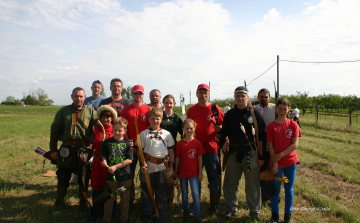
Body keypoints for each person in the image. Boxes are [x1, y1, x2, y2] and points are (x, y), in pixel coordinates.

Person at [220, 86, 267, 220]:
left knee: (252, 185)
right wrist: (223, 144)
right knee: (230, 184)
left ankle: (254, 212)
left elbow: (263, 135)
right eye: (238, 96)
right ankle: (230, 209)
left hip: (251, 153)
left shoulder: (254, 113)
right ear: (234, 97)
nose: (240, 98)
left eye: (243, 96)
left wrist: (262, 157)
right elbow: (224, 133)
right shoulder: (230, 114)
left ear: (248, 97)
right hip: (234, 153)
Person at [49, 87, 97, 211]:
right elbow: (54, 131)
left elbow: (97, 131)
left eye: (81, 96)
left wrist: (92, 148)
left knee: (84, 177)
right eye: (76, 96)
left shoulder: (91, 112)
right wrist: (53, 150)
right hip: (66, 149)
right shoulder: (63, 112)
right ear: (72, 97)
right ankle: (59, 202)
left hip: (83, 149)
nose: (78, 99)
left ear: (85, 97)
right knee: (63, 176)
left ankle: (83, 202)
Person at [187, 83, 224, 214]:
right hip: (196, 149)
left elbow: (223, 125)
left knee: (213, 177)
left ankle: (214, 204)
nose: (203, 95)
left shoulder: (215, 108)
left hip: (211, 149)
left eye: (205, 93)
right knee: (196, 177)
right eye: (200, 93)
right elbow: (187, 127)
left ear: (209, 94)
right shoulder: (191, 110)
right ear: (196, 94)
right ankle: (196, 202)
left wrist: (220, 129)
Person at [267, 98, 301, 223]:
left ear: (288, 110)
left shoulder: (293, 125)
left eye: (285, 109)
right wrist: (275, 163)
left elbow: (295, 145)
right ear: (276, 108)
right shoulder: (271, 126)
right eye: (280, 108)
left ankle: (288, 216)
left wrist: (280, 155)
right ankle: (274, 215)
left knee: (289, 190)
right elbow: (270, 146)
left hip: (290, 163)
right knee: (275, 190)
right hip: (276, 164)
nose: (282, 111)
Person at [139, 107, 175, 223]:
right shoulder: (143, 134)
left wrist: (171, 165)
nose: (155, 121)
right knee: (147, 190)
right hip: (148, 167)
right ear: (149, 119)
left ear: (161, 119)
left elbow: (171, 151)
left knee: (161, 190)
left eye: (157, 119)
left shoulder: (167, 134)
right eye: (153, 119)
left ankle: (160, 213)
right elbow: (140, 152)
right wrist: (142, 163)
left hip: (162, 167)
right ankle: (147, 213)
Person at [120, 85, 151, 203]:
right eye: (136, 93)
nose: (138, 96)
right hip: (130, 146)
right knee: (129, 173)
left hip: (145, 146)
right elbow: (123, 127)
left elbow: (151, 126)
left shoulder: (148, 109)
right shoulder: (126, 110)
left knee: (145, 172)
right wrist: (128, 141)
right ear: (132, 94)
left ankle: (145, 197)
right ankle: (130, 198)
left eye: (140, 93)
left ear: (143, 95)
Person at [101, 117, 133, 223]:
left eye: (120, 130)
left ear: (125, 131)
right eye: (115, 130)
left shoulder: (128, 144)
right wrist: (104, 162)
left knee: (125, 199)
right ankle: (106, 219)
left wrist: (115, 166)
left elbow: (129, 160)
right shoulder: (107, 143)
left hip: (125, 176)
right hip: (111, 177)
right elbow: (104, 156)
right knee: (109, 199)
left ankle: (123, 218)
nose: (117, 132)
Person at [89, 105, 117, 222]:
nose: (106, 119)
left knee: (111, 188)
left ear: (112, 118)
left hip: (111, 164)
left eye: (109, 117)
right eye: (104, 117)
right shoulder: (95, 129)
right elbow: (91, 145)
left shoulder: (116, 129)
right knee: (97, 188)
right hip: (98, 163)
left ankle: (112, 213)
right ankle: (96, 213)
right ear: (100, 117)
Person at [175, 118, 204, 223]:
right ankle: (186, 211)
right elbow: (178, 158)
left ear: (194, 128)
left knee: (195, 194)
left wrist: (200, 173)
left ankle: (197, 215)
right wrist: (176, 171)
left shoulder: (197, 143)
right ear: (183, 129)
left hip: (194, 174)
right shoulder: (180, 144)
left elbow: (200, 159)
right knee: (184, 192)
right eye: (186, 128)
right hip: (182, 173)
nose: (189, 130)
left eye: (191, 128)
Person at [160, 94, 183, 207]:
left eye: (170, 103)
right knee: (160, 174)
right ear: (163, 103)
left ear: (174, 103)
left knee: (171, 174)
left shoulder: (177, 118)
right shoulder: (160, 116)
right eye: (166, 102)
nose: (168, 105)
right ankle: (160, 197)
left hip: (172, 149)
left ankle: (170, 199)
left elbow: (182, 133)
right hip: (159, 148)